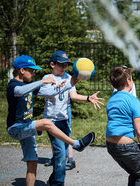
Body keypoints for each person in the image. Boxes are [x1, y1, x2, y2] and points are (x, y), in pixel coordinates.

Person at [6, 55, 95, 186]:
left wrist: (69, 84)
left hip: (27, 128)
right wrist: (42, 81)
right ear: (22, 70)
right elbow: (19, 91)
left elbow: (50, 92)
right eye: (32, 70)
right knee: (47, 122)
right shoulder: (13, 85)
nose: (34, 73)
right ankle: (76, 144)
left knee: (32, 163)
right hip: (16, 127)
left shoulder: (29, 85)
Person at [42, 50, 104, 186]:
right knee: (59, 154)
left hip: (63, 120)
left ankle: (53, 180)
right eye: (61, 65)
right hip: (51, 121)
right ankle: (57, 183)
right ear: (52, 64)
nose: (64, 67)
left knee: (63, 154)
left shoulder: (68, 77)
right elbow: (47, 93)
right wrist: (59, 86)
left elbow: (73, 96)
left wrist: (88, 98)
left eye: (66, 65)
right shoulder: (47, 78)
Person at [106, 65, 140, 185]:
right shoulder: (133, 100)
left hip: (111, 145)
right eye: (131, 79)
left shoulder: (112, 99)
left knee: (135, 172)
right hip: (125, 145)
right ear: (128, 81)